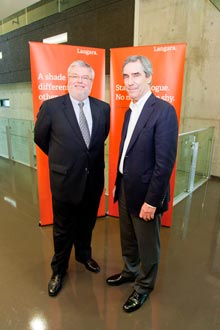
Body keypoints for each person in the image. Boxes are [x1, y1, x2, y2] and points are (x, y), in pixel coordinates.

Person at [106, 55, 178, 313]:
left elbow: (164, 164)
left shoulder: (164, 111)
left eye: (136, 75)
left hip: (147, 193)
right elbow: (126, 150)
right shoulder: (130, 110)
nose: (130, 81)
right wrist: (118, 180)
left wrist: (151, 200)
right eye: (126, 76)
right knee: (128, 237)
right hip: (126, 187)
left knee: (147, 244)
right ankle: (130, 270)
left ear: (149, 77)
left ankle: (144, 286)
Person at [34, 60, 110, 297]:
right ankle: (58, 270)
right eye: (76, 76)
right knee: (63, 228)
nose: (80, 81)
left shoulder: (103, 108)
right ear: (68, 79)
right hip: (65, 181)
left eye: (86, 77)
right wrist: (64, 161)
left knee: (87, 223)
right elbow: (41, 139)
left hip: (93, 180)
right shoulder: (52, 107)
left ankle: (84, 256)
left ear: (91, 81)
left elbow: (98, 140)